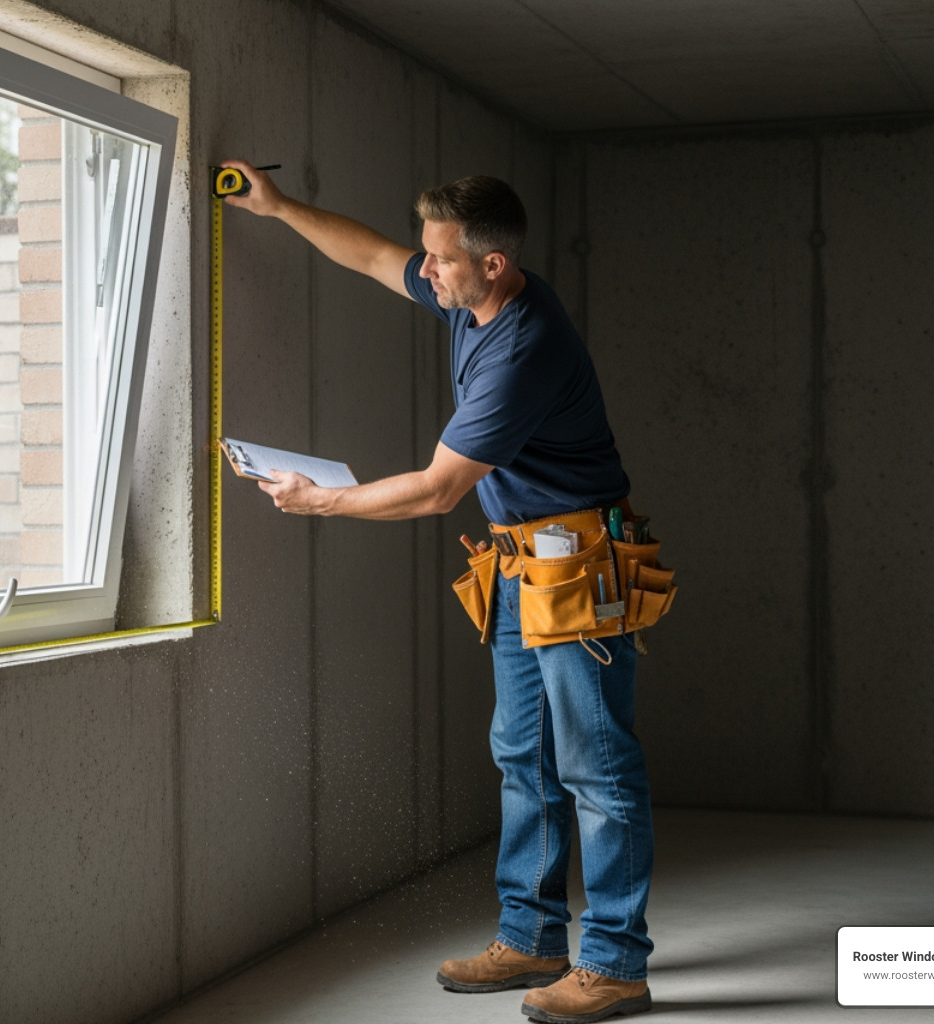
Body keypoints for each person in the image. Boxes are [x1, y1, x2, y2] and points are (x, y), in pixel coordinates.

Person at [221, 159, 654, 1022]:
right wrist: (276, 207)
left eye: (442, 259)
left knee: (597, 769)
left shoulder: (523, 348)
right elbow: (376, 257)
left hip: (576, 566)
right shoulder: (469, 299)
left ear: (492, 263)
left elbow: (436, 489)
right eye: (430, 255)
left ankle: (614, 963)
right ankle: (531, 937)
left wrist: (323, 501)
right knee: (522, 757)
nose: (425, 270)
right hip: (521, 565)